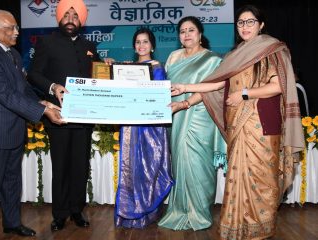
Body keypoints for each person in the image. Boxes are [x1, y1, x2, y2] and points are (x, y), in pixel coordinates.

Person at [170, 5, 305, 239]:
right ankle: (237, 227)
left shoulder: (271, 49)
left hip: (262, 125)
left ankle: (260, 229)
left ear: (261, 25)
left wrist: (244, 93)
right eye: (241, 23)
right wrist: (185, 88)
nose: (244, 27)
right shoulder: (235, 55)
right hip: (237, 127)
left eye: (250, 22)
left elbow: (278, 86)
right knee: (238, 176)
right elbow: (216, 83)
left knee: (262, 178)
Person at [0, 9, 63, 240]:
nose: (16, 32)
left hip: (13, 129)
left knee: (12, 182)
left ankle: (11, 223)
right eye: (10, 28)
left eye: (16, 27)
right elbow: (4, 94)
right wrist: (43, 111)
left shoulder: (11, 53)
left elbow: (21, 90)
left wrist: (42, 101)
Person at [27, 0, 99, 231]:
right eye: (66, 15)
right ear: (59, 18)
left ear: (82, 20)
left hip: (84, 117)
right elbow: (34, 75)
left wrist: (104, 66)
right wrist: (53, 87)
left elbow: (97, 77)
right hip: (58, 116)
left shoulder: (89, 44)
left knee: (80, 166)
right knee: (60, 167)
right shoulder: (47, 43)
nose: (70, 19)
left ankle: (77, 210)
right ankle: (59, 214)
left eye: (75, 16)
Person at [158, 16, 226, 231]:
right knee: (180, 161)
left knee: (198, 164)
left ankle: (199, 212)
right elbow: (165, 87)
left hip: (199, 116)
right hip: (176, 114)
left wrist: (186, 102)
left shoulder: (212, 60)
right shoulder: (173, 57)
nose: (186, 34)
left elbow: (213, 89)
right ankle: (179, 210)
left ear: (200, 34)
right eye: (183, 31)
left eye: (191, 30)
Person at [114, 28, 174, 228]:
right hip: (130, 123)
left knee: (147, 166)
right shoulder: (128, 68)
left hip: (149, 126)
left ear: (153, 46)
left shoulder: (157, 67)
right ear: (134, 46)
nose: (141, 46)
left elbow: (158, 96)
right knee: (129, 166)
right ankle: (128, 213)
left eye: (145, 42)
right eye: (138, 42)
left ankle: (145, 213)